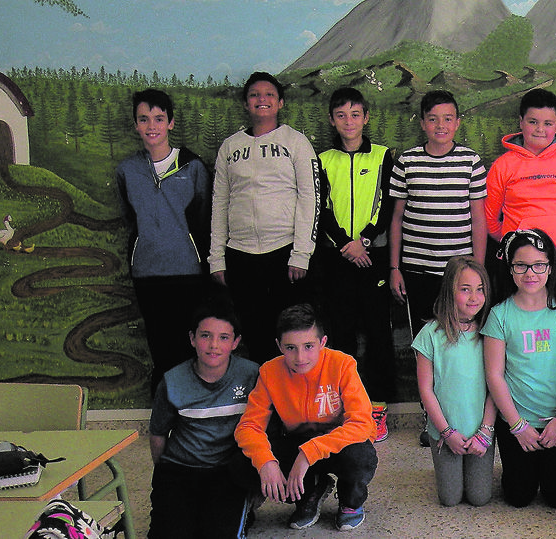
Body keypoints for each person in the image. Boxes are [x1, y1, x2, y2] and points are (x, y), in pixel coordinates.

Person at [234, 304, 378, 531]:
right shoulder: (269, 372)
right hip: (298, 441)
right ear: (278, 346)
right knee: (243, 463)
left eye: (308, 346)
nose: (300, 357)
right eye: (290, 347)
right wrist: (266, 462)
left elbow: (361, 424)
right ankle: (310, 492)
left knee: (360, 457)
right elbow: (248, 426)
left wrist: (308, 454)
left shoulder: (343, 364)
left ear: (323, 343)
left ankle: (351, 500)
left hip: (340, 444)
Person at [210, 72, 319, 360]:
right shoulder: (229, 147)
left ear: (280, 102)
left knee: (290, 334)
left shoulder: (296, 142)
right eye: (255, 95)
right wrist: (217, 258)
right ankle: (264, 401)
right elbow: (220, 203)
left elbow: (310, 198)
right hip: (240, 254)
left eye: (269, 94)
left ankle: (292, 401)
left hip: (284, 254)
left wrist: (301, 254)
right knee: (254, 333)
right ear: (246, 104)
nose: (262, 100)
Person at [482, 228, 556, 508]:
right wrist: (517, 425)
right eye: (521, 265)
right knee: (518, 497)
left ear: (551, 267)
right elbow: (494, 375)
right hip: (517, 423)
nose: (531, 273)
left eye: (539, 265)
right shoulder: (499, 314)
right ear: (510, 268)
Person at [115, 88, 212, 395]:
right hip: (147, 271)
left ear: (171, 122)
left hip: (187, 271)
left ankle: (191, 415)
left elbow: (204, 218)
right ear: (135, 125)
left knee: (188, 346)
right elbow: (131, 216)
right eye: (144, 119)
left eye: (158, 118)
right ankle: (163, 418)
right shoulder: (127, 170)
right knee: (159, 344)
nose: (151, 126)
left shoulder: (192, 166)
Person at [316, 87, 396, 441]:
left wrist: (363, 240)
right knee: (340, 335)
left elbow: (389, 205)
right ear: (332, 120)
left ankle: (377, 410)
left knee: (378, 334)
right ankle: (346, 409)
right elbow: (321, 210)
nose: (348, 121)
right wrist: (345, 245)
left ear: (366, 118)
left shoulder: (382, 156)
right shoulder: (322, 159)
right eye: (341, 115)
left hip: (372, 257)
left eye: (355, 114)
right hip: (336, 260)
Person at [149, 293, 259, 539]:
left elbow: (265, 431)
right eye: (205, 336)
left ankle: (243, 508)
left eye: (223, 338)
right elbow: (157, 433)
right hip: (180, 468)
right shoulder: (172, 380)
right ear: (192, 338)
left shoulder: (253, 375)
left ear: (236, 342)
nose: (213, 346)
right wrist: (164, 475)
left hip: (227, 470)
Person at [485, 88, 556, 327]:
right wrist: (514, 242)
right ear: (521, 122)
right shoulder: (503, 166)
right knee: (521, 326)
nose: (540, 129)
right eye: (533, 122)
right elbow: (490, 219)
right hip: (520, 263)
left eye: (547, 123)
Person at [390, 90, 487, 333]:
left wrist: (478, 270)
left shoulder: (471, 161)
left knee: (460, 331)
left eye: (447, 118)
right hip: (417, 268)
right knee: (425, 333)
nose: (440, 125)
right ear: (422, 123)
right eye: (432, 119)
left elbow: (478, 219)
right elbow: (397, 219)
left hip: (459, 269)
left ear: (457, 123)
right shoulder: (406, 162)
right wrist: (394, 268)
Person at [412, 256, 497, 507]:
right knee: (449, 499)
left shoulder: (489, 333)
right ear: (450, 290)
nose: (474, 297)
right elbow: (426, 390)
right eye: (465, 289)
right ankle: (447, 467)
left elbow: (497, 384)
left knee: (479, 498)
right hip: (444, 432)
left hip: (480, 431)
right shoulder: (431, 334)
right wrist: (446, 432)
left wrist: (486, 431)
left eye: (480, 289)